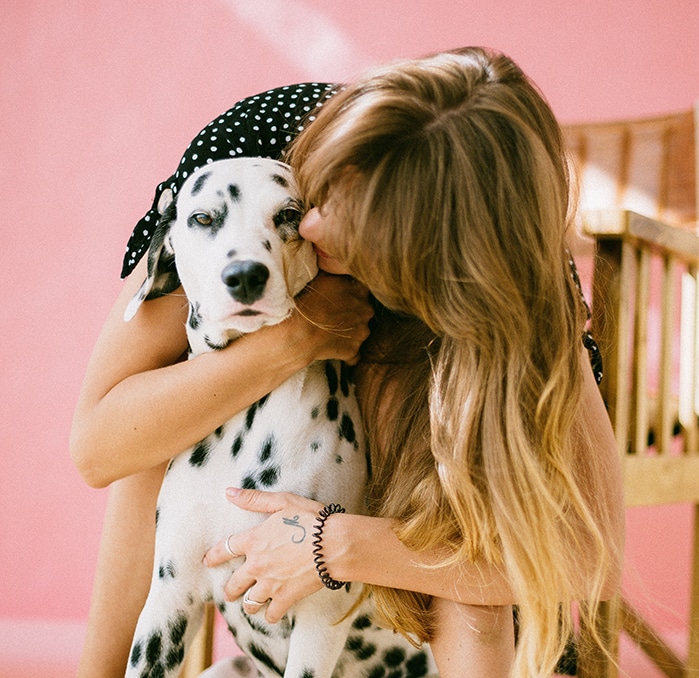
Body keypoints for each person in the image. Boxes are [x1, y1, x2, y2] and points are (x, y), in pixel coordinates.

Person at [70, 46, 624, 678]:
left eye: (358, 225)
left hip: (432, 562)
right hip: (260, 449)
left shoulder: (510, 277)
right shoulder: (254, 154)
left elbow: (593, 556)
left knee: (436, 448)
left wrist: (337, 544)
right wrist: (297, 337)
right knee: (174, 408)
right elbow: (101, 447)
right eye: (325, 188)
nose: (313, 226)